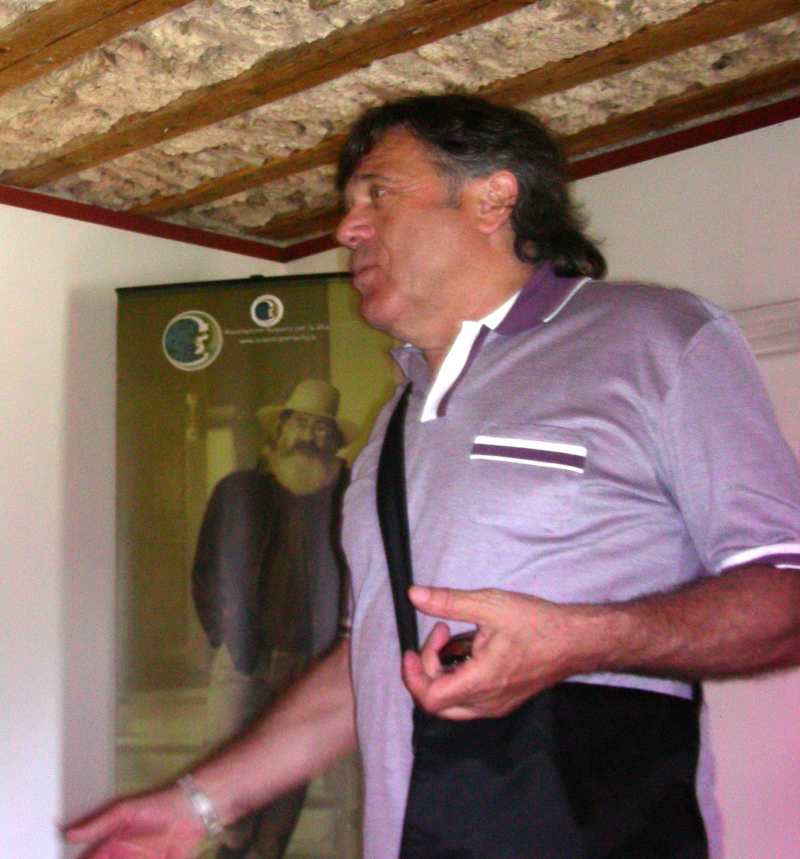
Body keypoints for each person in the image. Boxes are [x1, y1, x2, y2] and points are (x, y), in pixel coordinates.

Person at [66, 94, 800, 859]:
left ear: (492, 198)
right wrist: (198, 804)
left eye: (377, 193)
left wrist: (583, 640)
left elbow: (786, 590)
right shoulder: (393, 424)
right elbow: (369, 662)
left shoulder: (658, 336)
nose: (346, 228)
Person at [190, 379, 355, 858]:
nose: (308, 435)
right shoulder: (239, 491)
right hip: (246, 661)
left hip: (310, 666)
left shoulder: (350, 497)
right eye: (299, 423)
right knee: (227, 785)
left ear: (334, 441)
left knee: (287, 784)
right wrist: (225, 635)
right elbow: (206, 570)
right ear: (280, 431)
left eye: (321, 428)